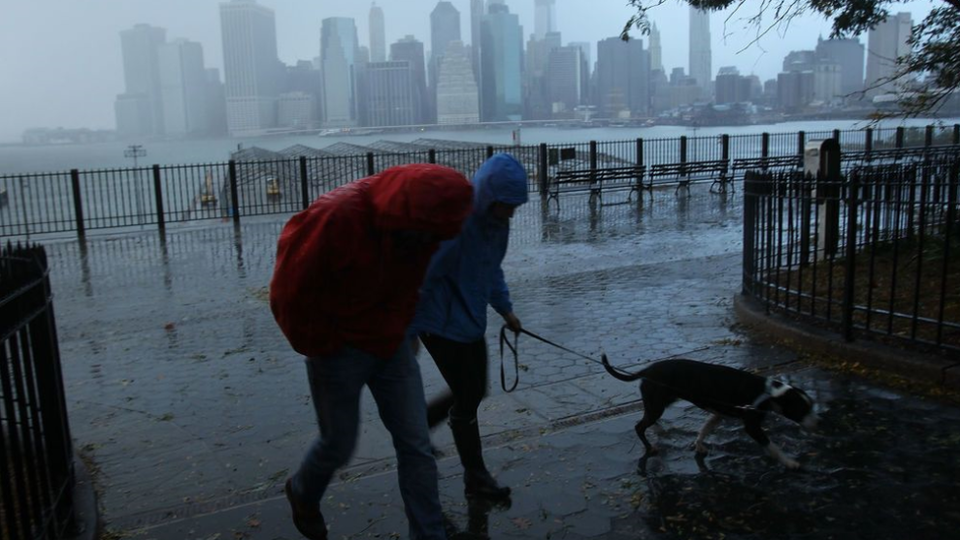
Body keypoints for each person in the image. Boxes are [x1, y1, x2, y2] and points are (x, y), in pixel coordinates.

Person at [269, 164, 473, 540]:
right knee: (338, 443)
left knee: (415, 446)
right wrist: (321, 347)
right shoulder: (338, 216)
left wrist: (405, 326)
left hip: (390, 342)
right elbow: (290, 291)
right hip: (337, 350)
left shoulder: (425, 224)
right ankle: (302, 491)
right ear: (411, 216)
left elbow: (413, 276)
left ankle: (429, 535)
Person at [410, 153, 529, 501]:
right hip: (439, 323)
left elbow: (492, 268)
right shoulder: (456, 226)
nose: (511, 213)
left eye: (515, 206)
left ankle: (418, 424)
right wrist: (412, 329)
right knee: (468, 395)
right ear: (489, 196)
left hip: (470, 320)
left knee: (476, 391)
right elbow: (424, 277)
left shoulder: (497, 225)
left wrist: (505, 309)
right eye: (506, 205)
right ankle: (475, 476)